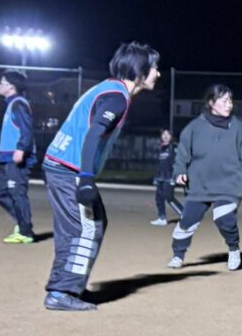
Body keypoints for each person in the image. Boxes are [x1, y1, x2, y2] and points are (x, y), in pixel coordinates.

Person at [41, 41, 161, 311]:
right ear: (138, 70)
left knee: (84, 226)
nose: (157, 73)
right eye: (154, 68)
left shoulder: (109, 89)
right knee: (87, 228)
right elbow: (94, 133)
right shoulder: (116, 97)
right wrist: (85, 178)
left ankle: (65, 286)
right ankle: (62, 291)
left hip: (60, 165)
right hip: (68, 168)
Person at [168, 84, 242, 272]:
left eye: (230, 100)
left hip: (229, 184)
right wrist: (180, 171)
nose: (229, 105)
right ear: (211, 103)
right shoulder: (194, 127)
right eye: (224, 100)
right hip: (199, 185)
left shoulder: (239, 128)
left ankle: (234, 249)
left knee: (224, 218)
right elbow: (183, 153)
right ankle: (178, 255)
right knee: (186, 222)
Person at [0, 70, 37, 244]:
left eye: (2, 82)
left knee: (18, 194)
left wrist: (21, 149)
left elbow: (27, 129)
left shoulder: (19, 104)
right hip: (7, 159)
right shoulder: (12, 104)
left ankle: (26, 232)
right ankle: (22, 223)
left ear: (11, 86)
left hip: (16, 158)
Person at [150, 128, 183, 225]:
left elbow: (178, 162)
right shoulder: (160, 148)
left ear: (171, 136)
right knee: (159, 197)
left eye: (168, 134)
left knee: (168, 197)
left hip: (170, 176)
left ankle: (184, 214)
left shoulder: (174, 147)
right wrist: (156, 177)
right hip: (160, 177)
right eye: (163, 134)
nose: (165, 136)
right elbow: (158, 163)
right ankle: (162, 218)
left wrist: (177, 175)